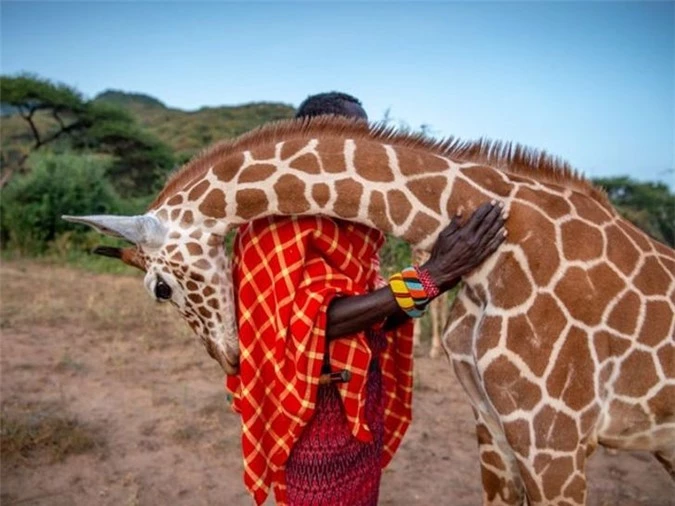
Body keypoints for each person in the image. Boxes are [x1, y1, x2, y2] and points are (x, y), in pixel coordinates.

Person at [225, 92, 506, 506]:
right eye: (350, 138)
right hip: (312, 414)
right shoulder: (273, 224)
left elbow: (376, 315)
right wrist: (435, 274)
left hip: (360, 400)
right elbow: (319, 320)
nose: (363, 152)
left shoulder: (355, 228)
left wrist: (442, 277)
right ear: (309, 142)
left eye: (367, 139)